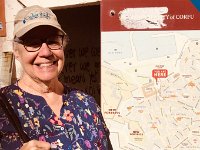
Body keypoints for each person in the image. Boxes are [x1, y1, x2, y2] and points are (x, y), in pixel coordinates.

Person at [0, 5, 112, 150]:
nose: (46, 52)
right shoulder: (4, 105)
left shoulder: (86, 103)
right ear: (16, 51)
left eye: (53, 41)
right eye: (33, 43)